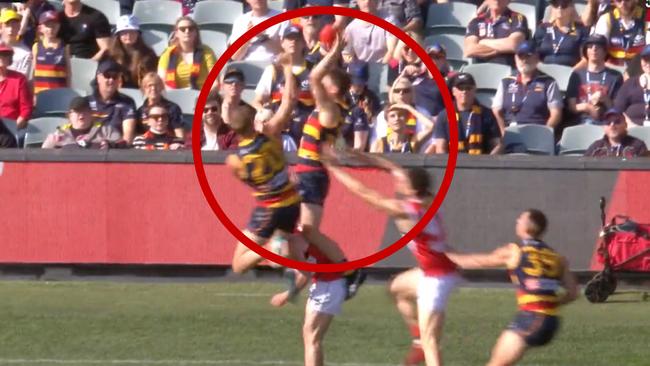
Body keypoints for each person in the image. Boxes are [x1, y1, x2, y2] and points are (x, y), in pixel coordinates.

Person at [321, 149, 459, 366]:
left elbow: (367, 194)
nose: (398, 179)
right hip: (436, 269)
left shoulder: (404, 210)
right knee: (396, 288)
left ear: (412, 187)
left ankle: (422, 343)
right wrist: (351, 153)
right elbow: (390, 165)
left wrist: (335, 168)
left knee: (431, 340)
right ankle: (417, 341)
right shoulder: (426, 198)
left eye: (403, 180)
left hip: (436, 276)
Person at [446, 210, 579, 366]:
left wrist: (442, 253)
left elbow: (476, 261)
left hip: (532, 319)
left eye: (520, 219)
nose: (517, 221)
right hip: (550, 321)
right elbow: (573, 293)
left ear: (527, 227)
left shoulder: (514, 251)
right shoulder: (557, 257)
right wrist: (550, 302)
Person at [225, 104, 302, 275]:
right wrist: (289, 76)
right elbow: (287, 104)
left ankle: (271, 250)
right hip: (292, 204)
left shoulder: (234, 159)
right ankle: (290, 251)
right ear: (254, 122)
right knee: (284, 249)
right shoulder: (271, 136)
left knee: (238, 266)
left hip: (269, 208)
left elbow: (248, 179)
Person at [294, 31, 350, 265]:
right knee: (291, 224)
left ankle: (344, 267)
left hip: (312, 172)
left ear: (334, 89)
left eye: (327, 82)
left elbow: (314, 76)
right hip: (306, 171)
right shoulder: (331, 107)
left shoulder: (330, 108)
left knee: (309, 230)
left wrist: (334, 52)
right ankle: (302, 264)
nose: (320, 83)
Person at [254, 25, 314, 145]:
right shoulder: (273, 70)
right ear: (282, 43)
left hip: (305, 124)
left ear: (303, 42)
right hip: (278, 127)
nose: (293, 42)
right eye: (289, 38)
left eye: (297, 38)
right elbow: (257, 101)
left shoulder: (313, 70)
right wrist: (263, 111)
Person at [492, 41, 563, 133]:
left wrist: (544, 133)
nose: (524, 60)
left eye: (528, 56)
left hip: (537, 130)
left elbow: (556, 114)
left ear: (537, 57)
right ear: (515, 58)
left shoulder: (548, 82)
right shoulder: (506, 82)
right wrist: (503, 132)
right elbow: (496, 110)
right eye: (520, 56)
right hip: (511, 131)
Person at [432, 73, 503, 155]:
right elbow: (441, 148)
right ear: (453, 91)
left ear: (474, 90)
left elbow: (497, 145)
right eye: (460, 88)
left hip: (480, 163)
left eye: (468, 88)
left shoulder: (486, 114)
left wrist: (488, 163)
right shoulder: (443, 116)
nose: (464, 91)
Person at [567, 35, 624, 125]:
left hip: (606, 123)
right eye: (590, 47)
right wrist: (587, 107)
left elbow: (616, 109)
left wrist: (605, 99)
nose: (594, 49)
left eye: (598, 47)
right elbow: (571, 107)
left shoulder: (615, 76)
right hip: (580, 122)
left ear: (605, 52)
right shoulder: (577, 75)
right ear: (586, 51)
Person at [86, 58, 137, 144]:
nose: (111, 80)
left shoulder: (127, 102)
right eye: (107, 75)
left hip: (116, 151)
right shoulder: (86, 102)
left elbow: (127, 138)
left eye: (115, 76)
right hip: (89, 150)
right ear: (98, 78)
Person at [158, 16, 216, 90]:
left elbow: (215, 82)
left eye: (191, 28)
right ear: (176, 33)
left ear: (195, 32)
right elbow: (160, 82)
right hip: (176, 96)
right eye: (182, 29)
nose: (187, 31)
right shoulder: (168, 53)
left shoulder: (206, 51)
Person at [464, 0, 528, 68]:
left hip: (508, 69)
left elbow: (514, 44)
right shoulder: (476, 21)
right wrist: (502, 49)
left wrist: (482, 42)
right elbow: (469, 50)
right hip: (481, 69)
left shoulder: (518, 18)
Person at [42, 96, 123, 149]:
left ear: (91, 113)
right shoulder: (59, 135)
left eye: (85, 110)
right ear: (69, 115)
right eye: (77, 111)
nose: (81, 115)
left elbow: (123, 147)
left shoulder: (106, 131)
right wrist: (52, 144)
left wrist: (110, 145)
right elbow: (42, 157)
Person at [533, 0, 589, 67]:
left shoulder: (581, 30)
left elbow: (585, 59)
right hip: (544, 72)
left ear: (571, 8)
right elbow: (533, 54)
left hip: (570, 73)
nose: (559, 8)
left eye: (564, 5)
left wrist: (571, 73)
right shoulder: (543, 28)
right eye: (555, 4)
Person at [593, 0, 647, 69]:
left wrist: (631, 71)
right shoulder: (606, 18)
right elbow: (598, 47)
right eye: (619, 0)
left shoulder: (646, 18)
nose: (623, 3)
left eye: (627, 0)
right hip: (611, 67)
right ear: (614, 2)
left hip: (639, 67)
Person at [108, 15, 158, 89]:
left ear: (138, 34)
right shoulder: (110, 55)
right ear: (118, 35)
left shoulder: (148, 54)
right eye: (124, 32)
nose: (128, 35)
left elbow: (151, 80)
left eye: (132, 32)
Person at [0, 40, 32, 146]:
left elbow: (26, 109)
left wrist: (14, 128)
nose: (2, 58)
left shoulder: (19, 79)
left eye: (5, 55)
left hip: (11, 129)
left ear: (10, 58)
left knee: (7, 139)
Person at [32, 10, 70, 95]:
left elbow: (68, 73)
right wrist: (33, 95)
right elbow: (34, 72)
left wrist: (68, 92)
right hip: (40, 94)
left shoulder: (65, 47)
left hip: (59, 93)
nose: (51, 29)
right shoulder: (36, 47)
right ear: (40, 28)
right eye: (47, 25)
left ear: (59, 26)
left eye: (54, 25)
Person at [137, 72, 184, 139]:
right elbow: (137, 134)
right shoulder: (140, 111)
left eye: (156, 85)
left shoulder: (173, 108)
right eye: (149, 85)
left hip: (169, 145)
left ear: (162, 87)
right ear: (144, 89)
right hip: (147, 146)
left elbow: (179, 134)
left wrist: (179, 144)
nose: (153, 88)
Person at [614, 45, 650, 125]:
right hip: (631, 130)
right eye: (645, 59)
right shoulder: (630, 83)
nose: (648, 63)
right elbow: (618, 109)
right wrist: (629, 125)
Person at [0, 8, 32, 78]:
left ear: (19, 27)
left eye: (14, 25)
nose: (11, 29)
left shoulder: (26, 53)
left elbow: (23, 78)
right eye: (7, 25)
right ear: (0, 28)